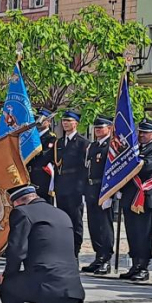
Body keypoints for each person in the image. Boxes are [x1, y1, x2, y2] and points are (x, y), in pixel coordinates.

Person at [0, 184, 111, 303]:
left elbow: (17, 251)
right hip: (70, 288)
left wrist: (7, 274)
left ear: (17, 203)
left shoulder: (22, 213)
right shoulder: (61, 214)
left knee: (5, 285)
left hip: (46, 285)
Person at [119, 119, 152, 281]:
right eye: (140, 132)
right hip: (130, 197)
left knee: (143, 233)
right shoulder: (134, 149)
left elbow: (144, 167)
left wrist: (128, 161)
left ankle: (143, 267)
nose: (141, 135)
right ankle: (135, 264)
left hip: (144, 197)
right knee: (132, 232)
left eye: (145, 133)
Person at [54, 110, 90, 258]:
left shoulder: (83, 143)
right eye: (64, 121)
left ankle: (75, 249)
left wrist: (82, 189)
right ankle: (64, 247)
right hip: (61, 186)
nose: (65, 123)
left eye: (69, 121)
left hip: (75, 187)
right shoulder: (59, 143)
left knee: (75, 220)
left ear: (76, 123)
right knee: (62, 219)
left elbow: (86, 167)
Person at [81, 116, 115, 275]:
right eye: (96, 128)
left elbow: (113, 171)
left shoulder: (112, 146)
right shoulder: (93, 146)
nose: (98, 131)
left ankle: (106, 258)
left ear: (109, 128)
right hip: (91, 188)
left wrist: (110, 193)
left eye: (101, 128)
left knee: (104, 226)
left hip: (104, 189)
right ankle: (98, 255)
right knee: (93, 225)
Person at [26, 108, 58, 204]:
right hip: (30, 174)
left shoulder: (51, 138)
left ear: (48, 122)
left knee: (44, 202)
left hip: (42, 175)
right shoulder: (31, 137)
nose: (39, 122)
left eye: (42, 120)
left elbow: (45, 155)